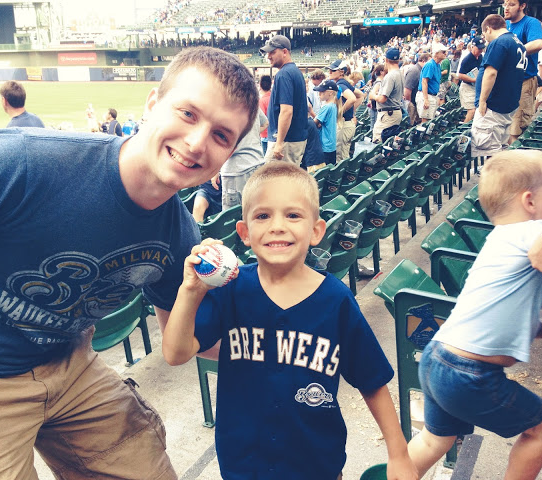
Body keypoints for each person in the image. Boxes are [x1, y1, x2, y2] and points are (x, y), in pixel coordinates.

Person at [0, 47, 259, 479]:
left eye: (221, 135)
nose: (196, 143)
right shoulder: (24, 161)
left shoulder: (177, 235)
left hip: (71, 362)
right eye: (188, 114)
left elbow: (188, 338)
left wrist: (295, 331)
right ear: (152, 104)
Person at [162, 162, 419, 480]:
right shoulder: (231, 289)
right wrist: (190, 290)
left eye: (293, 215)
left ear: (316, 230)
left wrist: (399, 453)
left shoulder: (336, 300)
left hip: (316, 465)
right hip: (244, 463)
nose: (277, 226)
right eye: (262, 216)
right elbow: (175, 353)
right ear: (244, 233)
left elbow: (372, 381)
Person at [407, 150, 542, 480]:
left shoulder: (501, 238)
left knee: (436, 439)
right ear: (530, 201)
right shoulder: (532, 232)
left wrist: (535, 327)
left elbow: (494, 306)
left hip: (438, 356)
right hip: (467, 374)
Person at [472, 14, 526, 160]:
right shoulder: (517, 42)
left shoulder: (500, 42)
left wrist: (482, 101)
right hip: (507, 105)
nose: (485, 38)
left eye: (484, 34)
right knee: (500, 151)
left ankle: (495, 182)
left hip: (494, 107)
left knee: (492, 156)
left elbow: (490, 73)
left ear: (488, 29)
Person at [260, 35, 308, 165]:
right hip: (294, 139)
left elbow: (286, 111)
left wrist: (279, 143)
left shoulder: (284, 74)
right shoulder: (295, 71)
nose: (268, 56)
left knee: (273, 182)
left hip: (286, 141)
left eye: (273, 52)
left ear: (285, 52)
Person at [505, 0, 542, 143]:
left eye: (511, 4)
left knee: (516, 131)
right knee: (505, 128)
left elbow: (539, 43)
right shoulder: (506, 25)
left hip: (523, 82)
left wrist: (513, 51)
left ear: (522, 6)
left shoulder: (531, 23)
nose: (506, 7)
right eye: (505, 4)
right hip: (506, 84)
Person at [216, 108, 267, 210]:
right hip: (257, 164)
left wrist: (215, 169)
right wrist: (250, 136)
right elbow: (265, 123)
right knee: (258, 212)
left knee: (233, 218)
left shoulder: (226, 105)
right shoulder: (252, 102)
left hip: (237, 171)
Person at [371, 47, 404, 143]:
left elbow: (382, 99)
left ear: (386, 60)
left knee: (379, 142)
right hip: (394, 112)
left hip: (388, 114)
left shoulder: (390, 76)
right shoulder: (400, 73)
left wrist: (373, 95)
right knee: (389, 144)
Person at [457, 36, 486, 123]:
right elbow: (460, 75)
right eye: (478, 48)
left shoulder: (481, 57)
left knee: (477, 109)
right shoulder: (467, 59)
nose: (480, 50)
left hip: (476, 87)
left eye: (482, 48)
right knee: (472, 110)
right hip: (468, 86)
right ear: (473, 47)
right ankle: (463, 130)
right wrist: (473, 80)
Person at [313, 79, 341, 165]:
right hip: (331, 145)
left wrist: (310, 110)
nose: (319, 94)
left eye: (322, 92)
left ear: (330, 93)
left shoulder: (327, 107)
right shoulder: (334, 105)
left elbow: (314, 123)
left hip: (324, 145)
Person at [416, 47, 447, 122]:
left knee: (430, 120)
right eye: (443, 52)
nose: (445, 54)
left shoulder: (438, 65)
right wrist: (426, 99)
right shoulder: (430, 64)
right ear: (436, 53)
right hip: (427, 95)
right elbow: (424, 81)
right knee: (425, 121)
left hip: (433, 95)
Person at [404, 53, 429, 125]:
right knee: (410, 125)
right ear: (424, 61)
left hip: (417, 103)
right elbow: (407, 90)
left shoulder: (421, 70)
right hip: (412, 104)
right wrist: (411, 105)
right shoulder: (414, 70)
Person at [367, 65, 387, 131]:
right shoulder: (379, 83)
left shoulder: (379, 81)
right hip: (374, 108)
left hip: (374, 107)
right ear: (381, 72)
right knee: (373, 128)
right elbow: (372, 94)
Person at [259, 75, 272, 156]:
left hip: (265, 134)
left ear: (260, 85)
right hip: (275, 133)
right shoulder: (274, 98)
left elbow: (261, 120)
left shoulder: (262, 101)